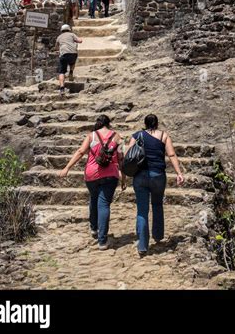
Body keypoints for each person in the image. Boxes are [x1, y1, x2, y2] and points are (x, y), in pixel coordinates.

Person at [59, 115, 123, 250]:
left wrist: (67, 168)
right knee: (104, 205)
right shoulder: (117, 136)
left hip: (92, 174)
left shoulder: (92, 136)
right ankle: (102, 242)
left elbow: (81, 151)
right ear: (109, 124)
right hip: (111, 175)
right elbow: (121, 158)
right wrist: (124, 178)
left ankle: (94, 228)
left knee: (94, 199)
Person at [124, 114, 184, 256]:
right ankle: (158, 236)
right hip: (158, 175)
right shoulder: (164, 136)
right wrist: (178, 173)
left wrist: (124, 176)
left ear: (145, 123)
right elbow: (172, 155)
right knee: (157, 205)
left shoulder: (137, 135)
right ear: (157, 123)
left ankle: (143, 246)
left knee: (142, 210)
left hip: (140, 176)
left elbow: (128, 155)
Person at [55, 23, 82, 96]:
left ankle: (62, 88)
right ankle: (71, 71)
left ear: (62, 30)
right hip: (73, 53)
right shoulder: (72, 35)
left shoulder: (59, 37)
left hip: (63, 54)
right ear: (69, 29)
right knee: (72, 62)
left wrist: (58, 50)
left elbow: (56, 47)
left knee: (62, 72)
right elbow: (80, 41)